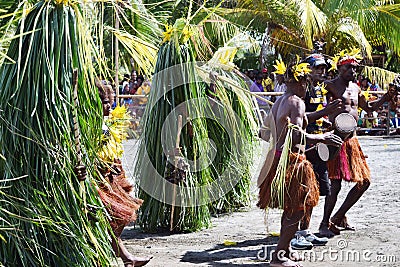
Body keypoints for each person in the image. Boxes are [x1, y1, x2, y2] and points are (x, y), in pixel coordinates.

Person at [257, 59, 342, 267]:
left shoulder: (281, 100)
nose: (308, 88)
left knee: (291, 207)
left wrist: (322, 113)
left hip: (279, 158)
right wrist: (322, 138)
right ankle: (279, 257)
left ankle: (286, 249)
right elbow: (295, 137)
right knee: (297, 208)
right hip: (292, 161)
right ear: (301, 81)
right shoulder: (296, 101)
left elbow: (263, 132)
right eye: (307, 83)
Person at [318, 51, 397, 237]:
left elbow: (369, 108)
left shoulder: (356, 88)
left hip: (352, 141)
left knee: (364, 181)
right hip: (336, 139)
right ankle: (323, 224)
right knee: (335, 185)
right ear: (339, 68)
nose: (353, 70)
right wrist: (324, 121)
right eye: (348, 67)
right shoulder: (329, 86)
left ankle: (338, 216)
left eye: (355, 67)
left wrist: (386, 97)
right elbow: (318, 105)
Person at [95, 88, 152, 266]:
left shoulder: (107, 123)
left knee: (123, 214)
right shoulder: (88, 125)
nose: (110, 106)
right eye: (105, 101)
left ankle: (123, 255)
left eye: (110, 101)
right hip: (97, 180)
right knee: (116, 214)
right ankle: (125, 257)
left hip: (110, 177)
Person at [292, 54, 343, 249]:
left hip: (318, 145)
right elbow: (301, 119)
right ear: (307, 70)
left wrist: (326, 122)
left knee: (315, 191)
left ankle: (305, 231)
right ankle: (295, 233)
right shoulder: (302, 90)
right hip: (305, 146)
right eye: (317, 68)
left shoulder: (320, 89)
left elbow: (315, 117)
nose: (322, 71)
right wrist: (323, 112)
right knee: (303, 191)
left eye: (323, 68)